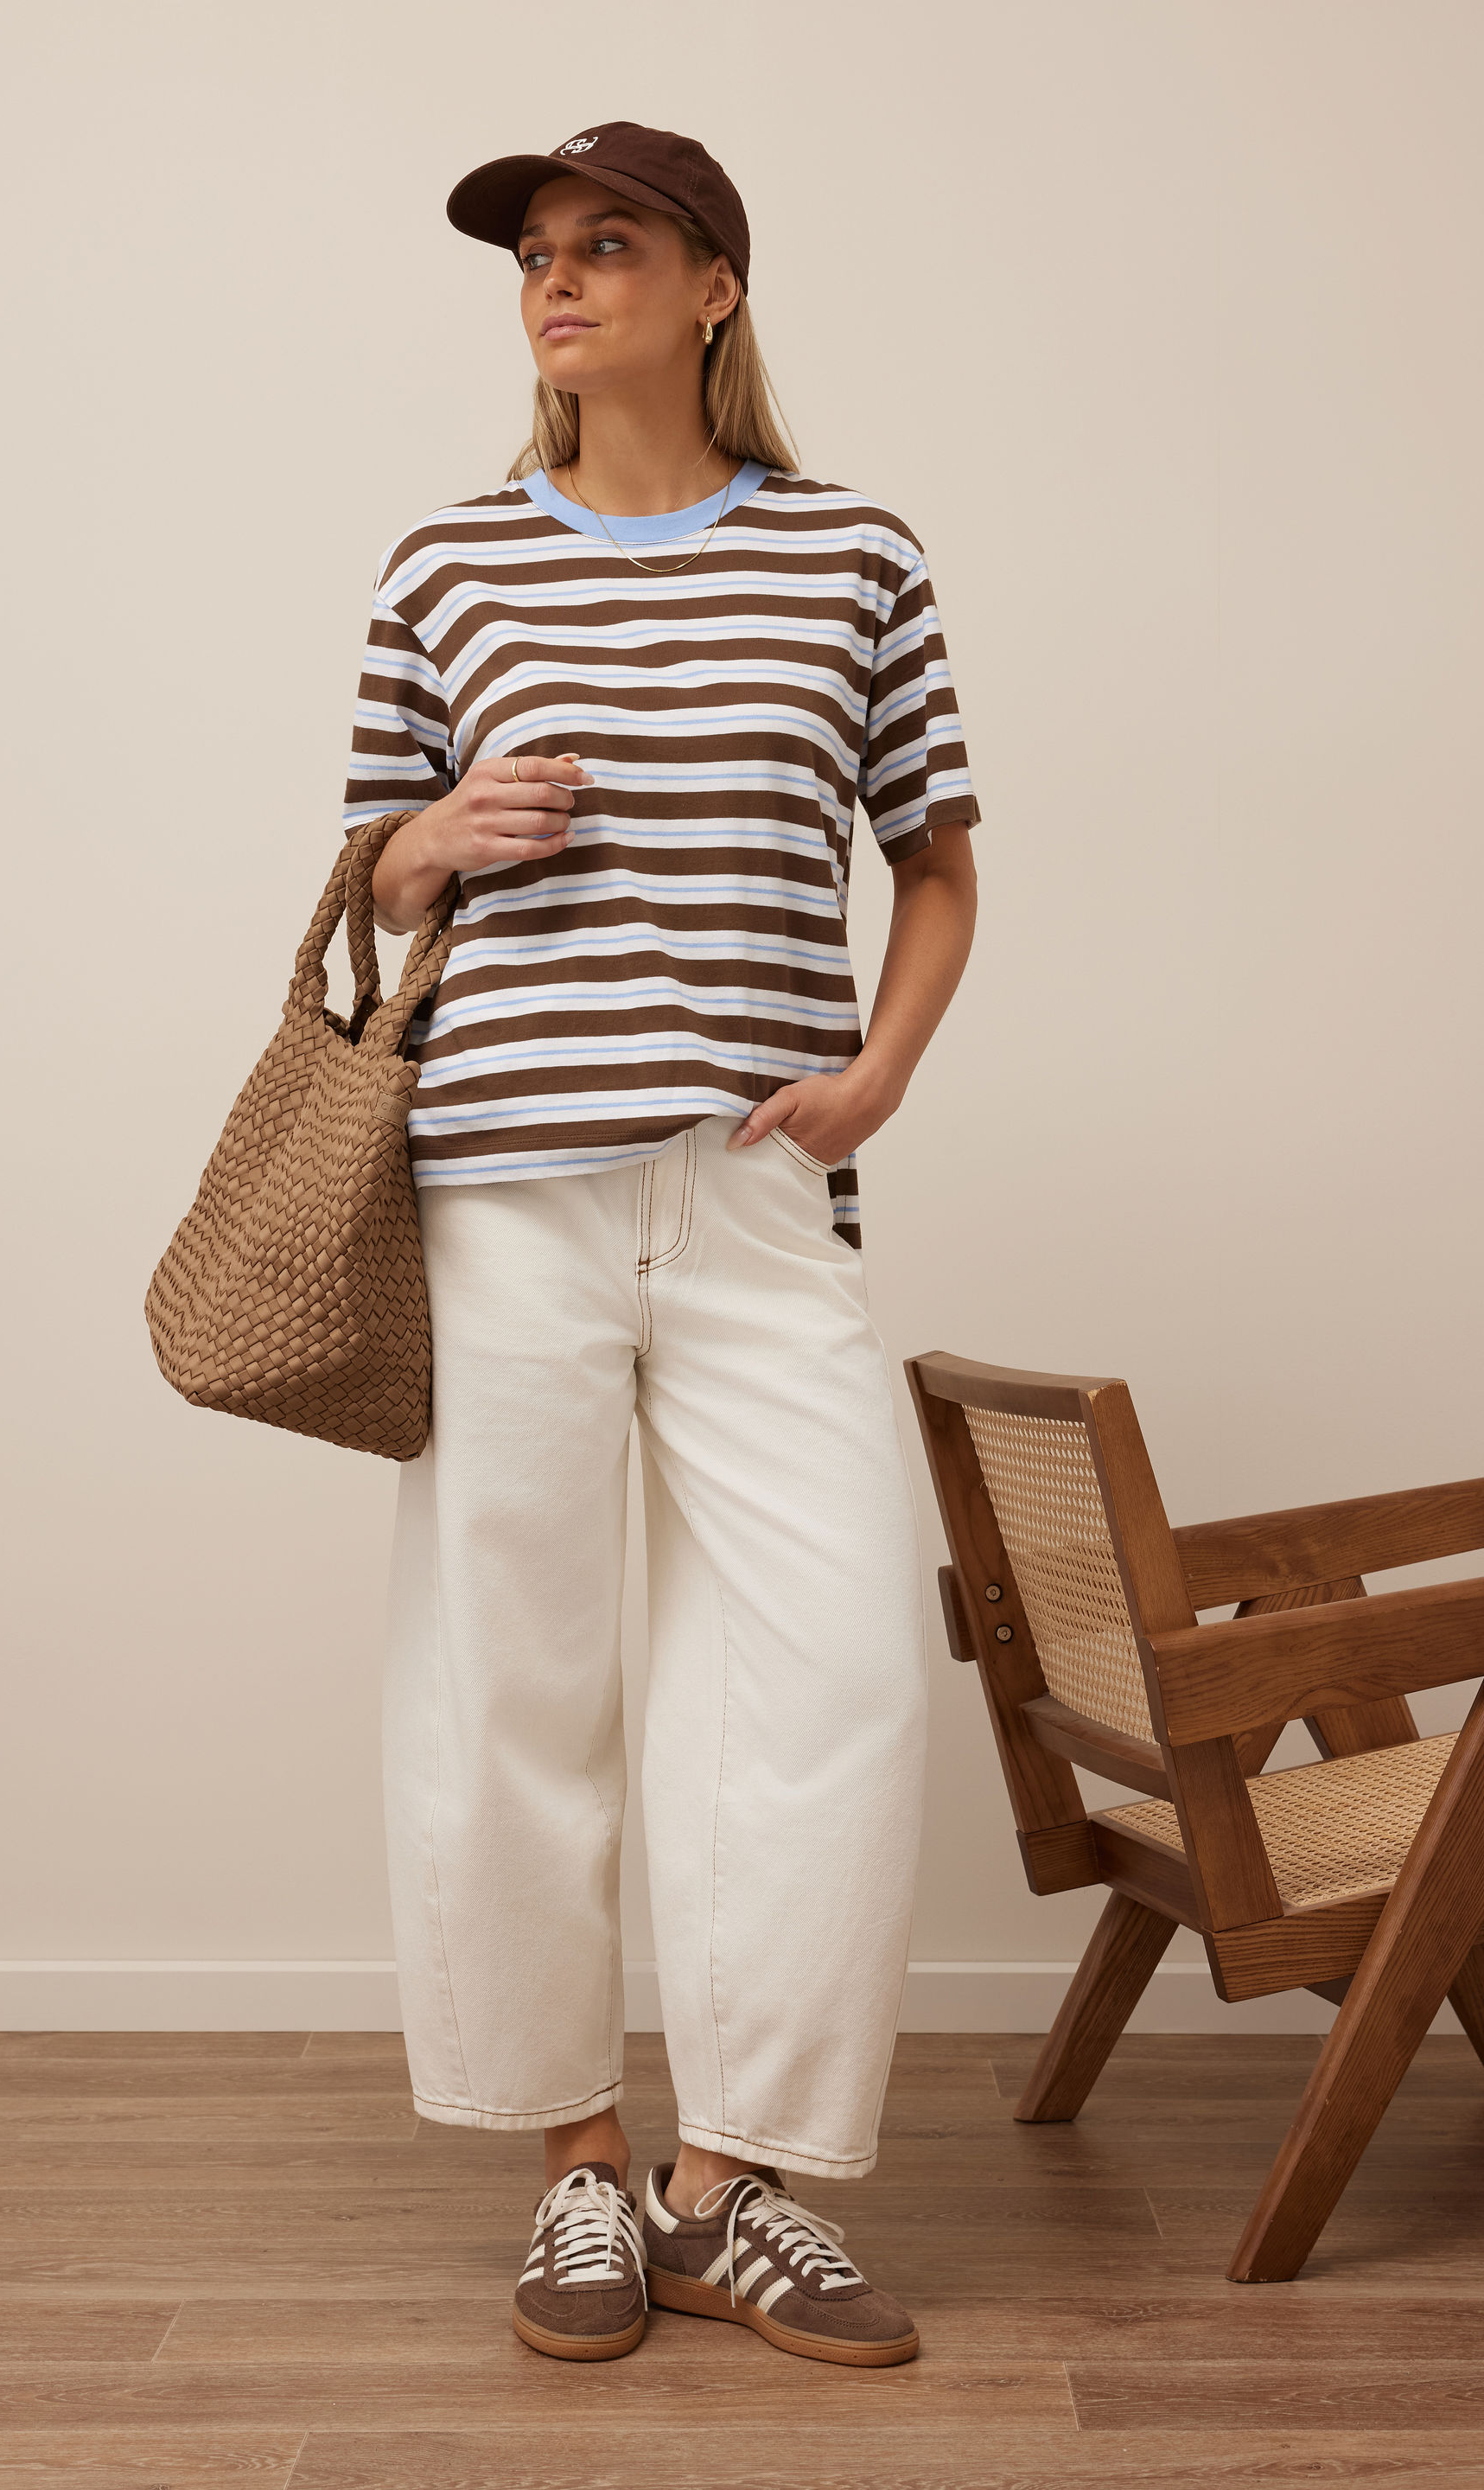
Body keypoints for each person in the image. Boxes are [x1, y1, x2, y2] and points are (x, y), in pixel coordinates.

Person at [343, 121, 981, 2369]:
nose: (558, 276)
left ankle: (727, 2188)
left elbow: (939, 859)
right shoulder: (445, 562)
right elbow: (368, 879)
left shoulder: (854, 558)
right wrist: (435, 833)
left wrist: (878, 1075)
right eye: (537, 249)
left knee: (834, 1668)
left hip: (757, 1185)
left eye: (606, 243)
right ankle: (574, 2165)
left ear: (715, 287)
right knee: (508, 1676)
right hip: (502, 1187)